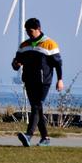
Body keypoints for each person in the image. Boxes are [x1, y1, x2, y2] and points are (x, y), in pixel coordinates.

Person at [11, 18, 63, 147]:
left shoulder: (50, 44)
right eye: (27, 31)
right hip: (29, 80)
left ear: (38, 29)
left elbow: (58, 64)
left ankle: (28, 135)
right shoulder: (24, 45)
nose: (28, 33)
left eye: (30, 31)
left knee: (36, 106)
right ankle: (45, 138)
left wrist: (60, 80)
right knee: (37, 109)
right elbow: (16, 62)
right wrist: (16, 64)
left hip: (44, 81)